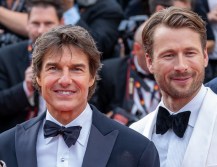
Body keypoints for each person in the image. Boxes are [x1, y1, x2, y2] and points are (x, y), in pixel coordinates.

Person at [0, 25, 160, 167]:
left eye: (76, 69)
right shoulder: (5, 146)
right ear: (38, 77)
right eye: (53, 68)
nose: (64, 80)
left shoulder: (136, 150)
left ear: (91, 77)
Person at [130, 7, 217, 167]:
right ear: (150, 62)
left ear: (205, 56)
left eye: (190, 53)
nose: (181, 66)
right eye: (169, 55)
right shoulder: (135, 133)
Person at [0, 0, 64, 132]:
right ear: (27, 24)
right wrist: (25, 88)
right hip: (15, 137)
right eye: (35, 23)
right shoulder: (5, 56)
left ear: (61, 23)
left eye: (48, 24)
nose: (41, 30)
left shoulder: (74, 58)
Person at [91, 22, 161, 126]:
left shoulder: (175, 72)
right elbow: (91, 114)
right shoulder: (110, 72)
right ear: (137, 49)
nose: (162, 57)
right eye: (155, 51)